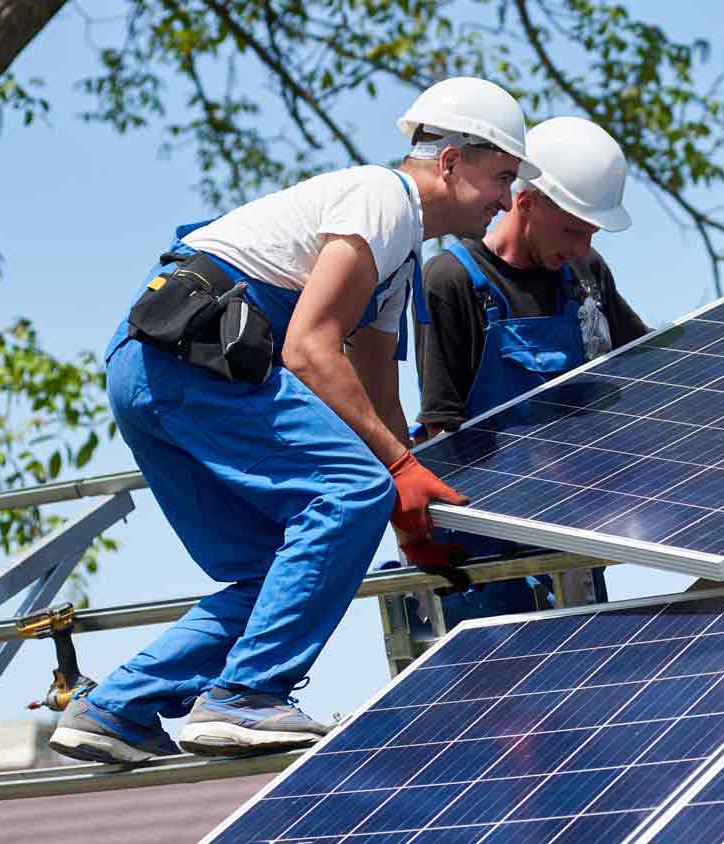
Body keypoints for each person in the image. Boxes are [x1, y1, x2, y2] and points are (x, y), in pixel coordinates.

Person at [49, 77, 538, 765]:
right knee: (346, 494)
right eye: (501, 176)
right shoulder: (382, 201)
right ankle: (247, 694)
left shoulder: (397, 256)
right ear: (451, 161)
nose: (503, 197)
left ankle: (115, 709)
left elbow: (374, 387)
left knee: (277, 573)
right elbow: (310, 349)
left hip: (151, 369)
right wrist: (392, 475)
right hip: (201, 363)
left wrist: (407, 511)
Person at [409, 116, 646, 628]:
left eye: (592, 234)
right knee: (503, 697)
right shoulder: (451, 280)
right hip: (487, 552)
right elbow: (440, 430)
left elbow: (650, 367)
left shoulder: (586, 275)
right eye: (573, 230)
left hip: (573, 526)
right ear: (526, 202)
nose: (582, 248)